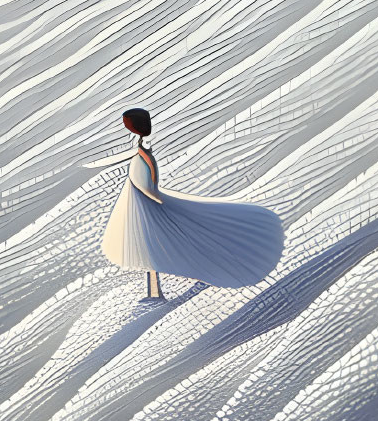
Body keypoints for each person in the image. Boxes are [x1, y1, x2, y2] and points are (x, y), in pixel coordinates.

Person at [83, 107, 283, 299]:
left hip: (145, 208)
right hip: (142, 206)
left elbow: (146, 187)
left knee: (150, 248)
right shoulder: (143, 153)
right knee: (148, 248)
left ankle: (156, 290)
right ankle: (154, 290)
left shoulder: (142, 158)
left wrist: (162, 203)